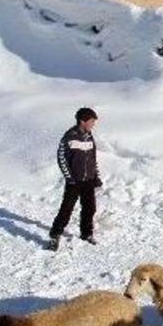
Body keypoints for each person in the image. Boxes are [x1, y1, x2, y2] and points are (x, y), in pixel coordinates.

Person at [47, 107, 102, 251]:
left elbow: (92, 159)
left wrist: (96, 176)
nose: (93, 124)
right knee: (66, 209)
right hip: (74, 181)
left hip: (88, 180)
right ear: (82, 121)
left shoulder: (89, 136)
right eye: (91, 121)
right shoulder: (69, 137)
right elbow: (61, 159)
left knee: (90, 208)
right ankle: (55, 235)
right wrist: (69, 178)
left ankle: (86, 234)